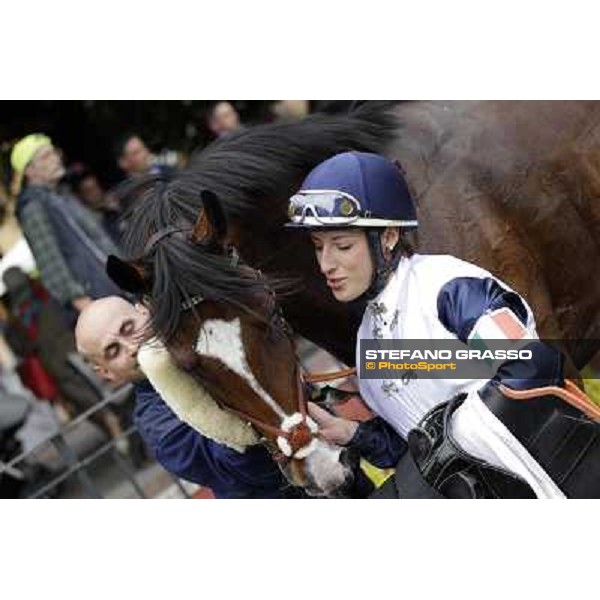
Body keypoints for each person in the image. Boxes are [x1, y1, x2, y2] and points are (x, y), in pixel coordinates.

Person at [286, 151, 599, 499]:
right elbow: (414, 450)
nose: (326, 264)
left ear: (388, 237)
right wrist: (352, 434)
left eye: (342, 246)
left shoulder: (446, 286)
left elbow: (531, 364)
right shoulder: (366, 342)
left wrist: (452, 440)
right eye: (318, 247)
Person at [75, 296, 303, 499]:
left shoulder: (209, 336)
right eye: (113, 351)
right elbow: (252, 470)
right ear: (106, 372)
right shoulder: (158, 428)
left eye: (128, 327)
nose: (132, 347)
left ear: (145, 311)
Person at [10, 134, 122, 319]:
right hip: (98, 298)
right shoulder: (33, 206)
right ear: (30, 171)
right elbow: (50, 262)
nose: (55, 158)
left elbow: (95, 241)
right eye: (46, 156)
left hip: (114, 285)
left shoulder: (61, 195)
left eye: (53, 152)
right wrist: (82, 303)